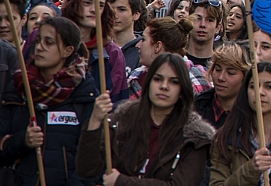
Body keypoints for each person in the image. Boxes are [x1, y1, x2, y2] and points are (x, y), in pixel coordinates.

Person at [77, 53, 215, 185]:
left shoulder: (195, 137)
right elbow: (87, 169)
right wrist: (95, 121)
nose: (164, 86)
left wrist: (121, 182)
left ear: (182, 89)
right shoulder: (122, 121)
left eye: (173, 82)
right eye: (157, 79)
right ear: (148, 83)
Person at [0, 17, 97, 186]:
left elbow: (92, 160)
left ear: (67, 51)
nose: (39, 47)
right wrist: (23, 140)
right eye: (38, 41)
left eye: (49, 42)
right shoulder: (18, 86)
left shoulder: (84, 94)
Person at [60, 0, 128, 103]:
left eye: (100, 5)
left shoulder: (112, 53)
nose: (94, 9)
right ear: (74, 4)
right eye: (87, 3)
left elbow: (119, 102)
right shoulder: (56, 44)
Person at [129, 17, 212, 99]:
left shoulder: (193, 82)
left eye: (143, 39)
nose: (138, 45)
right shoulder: (137, 75)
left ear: (158, 46)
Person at [195, 42, 251, 129]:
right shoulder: (195, 108)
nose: (221, 78)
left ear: (245, 76)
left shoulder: (254, 112)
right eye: (218, 69)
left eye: (231, 73)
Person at [109, 0, 147, 75]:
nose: (115, 15)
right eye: (111, 9)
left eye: (121, 9)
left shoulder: (144, 50)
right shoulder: (99, 47)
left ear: (136, 14)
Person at [187, 0, 225, 68]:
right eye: (197, 18)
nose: (202, 25)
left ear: (218, 27)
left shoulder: (220, 66)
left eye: (209, 20)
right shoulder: (176, 60)